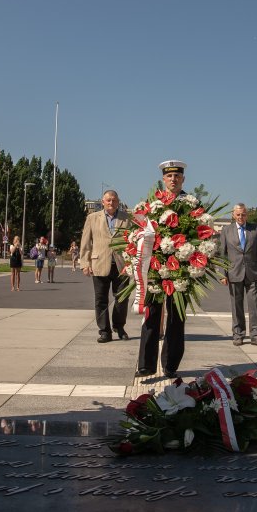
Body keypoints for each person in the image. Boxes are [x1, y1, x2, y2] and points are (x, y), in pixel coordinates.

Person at [136, 160, 189, 378]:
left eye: (177, 176)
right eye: (169, 176)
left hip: (181, 270)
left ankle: (170, 366)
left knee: (176, 318)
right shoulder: (153, 203)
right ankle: (146, 365)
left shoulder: (191, 204)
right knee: (151, 315)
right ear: (163, 179)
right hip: (156, 268)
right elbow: (141, 230)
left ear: (183, 179)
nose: (173, 179)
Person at [80, 189, 129, 343]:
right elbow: (86, 242)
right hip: (99, 263)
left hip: (121, 265)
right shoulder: (92, 218)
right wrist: (85, 263)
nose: (111, 202)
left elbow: (133, 241)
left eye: (114, 200)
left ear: (118, 202)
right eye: (108, 200)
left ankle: (119, 326)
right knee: (100, 300)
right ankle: (104, 331)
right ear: (102, 202)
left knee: (122, 298)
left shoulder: (127, 218)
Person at [219, 203, 257, 347]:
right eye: (238, 214)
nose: (241, 217)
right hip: (234, 272)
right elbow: (223, 254)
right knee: (236, 305)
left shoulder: (255, 229)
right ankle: (238, 334)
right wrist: (223, 274)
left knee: (254, 304)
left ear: (247, 215)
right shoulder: (226, 230)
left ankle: (256, 335)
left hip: (253, 273)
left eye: (243, 214)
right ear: (233, 215)